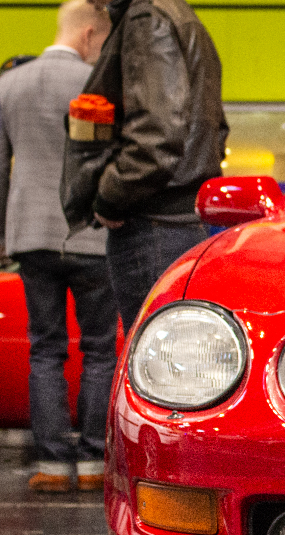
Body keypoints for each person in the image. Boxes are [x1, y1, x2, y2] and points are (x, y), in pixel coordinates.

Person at [0, 0, 117, 493]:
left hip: (31, 236)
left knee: (44, 349)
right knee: (99, 349)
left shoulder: (8, 85)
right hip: (91, 234)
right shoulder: (97, 85)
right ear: (89, 33)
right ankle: (93, 463)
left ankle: (52, 464)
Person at [62, 0, 227, 334]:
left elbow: (156, 136)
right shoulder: (175, 14)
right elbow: (211, 129)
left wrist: (109, 199)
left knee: (154, 351)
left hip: (150, 224)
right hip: (176, 221)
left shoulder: (147, 18)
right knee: (172, 352)